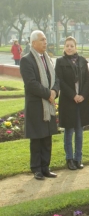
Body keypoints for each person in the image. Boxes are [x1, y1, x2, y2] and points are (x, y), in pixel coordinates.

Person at [20, 30, 60, 180]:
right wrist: (48, 94)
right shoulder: (27, 60)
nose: (45, 42)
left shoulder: (49, 59)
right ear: (34, 43)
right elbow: (31, 84)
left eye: (45, 39)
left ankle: (45, 167)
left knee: (47, 138)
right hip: (37, 106)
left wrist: (55, 92)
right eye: (42, 40)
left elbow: (56, 79)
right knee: (37, 139)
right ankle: (36, 169)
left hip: (48, 106)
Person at [55, 36, 89, 170]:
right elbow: (60, 81)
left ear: (75, 47)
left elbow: (88, 80)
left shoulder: (82, 61)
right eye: (67, 46)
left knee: (79, 132)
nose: (69, 48)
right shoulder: (60, 62)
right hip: (68, 101)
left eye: (72, 46)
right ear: (64, 47)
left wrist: (82, 95)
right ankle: (69, 159)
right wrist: (73, 95)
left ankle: (78, 158)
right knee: (69, 132)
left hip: (81, 102)